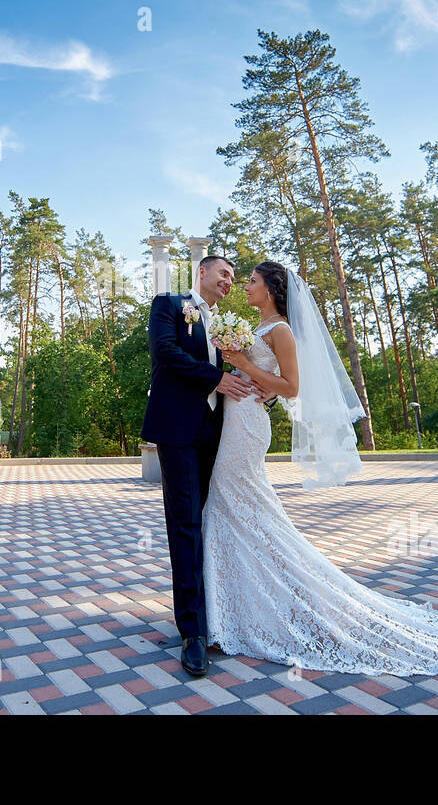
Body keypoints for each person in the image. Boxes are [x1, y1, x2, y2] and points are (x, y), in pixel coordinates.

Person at [201, 259, 438, 676]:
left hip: (248, 428)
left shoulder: (280, 330)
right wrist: (241, 367)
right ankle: (229, 607)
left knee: (238, 504)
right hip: (235, 419)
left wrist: (242, 365)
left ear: (273, 290)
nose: (246, 287)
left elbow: (292, 387)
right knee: (229, 507)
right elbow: (266, 381)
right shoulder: (256, 328)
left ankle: (254, 604)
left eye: (253, 282)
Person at [140, 255, 269, 676]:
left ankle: (220, 610)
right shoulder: (170, 303)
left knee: (215, 518)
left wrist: (258, 389)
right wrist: (215, 380)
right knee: (185, 524)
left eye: (235, 277)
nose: (230, 281)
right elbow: (165, 352)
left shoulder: (226, 324)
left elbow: (244, 370)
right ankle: (193, 632)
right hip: (177, 429)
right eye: (224, 273)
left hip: (218, 432)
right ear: (201, 272)